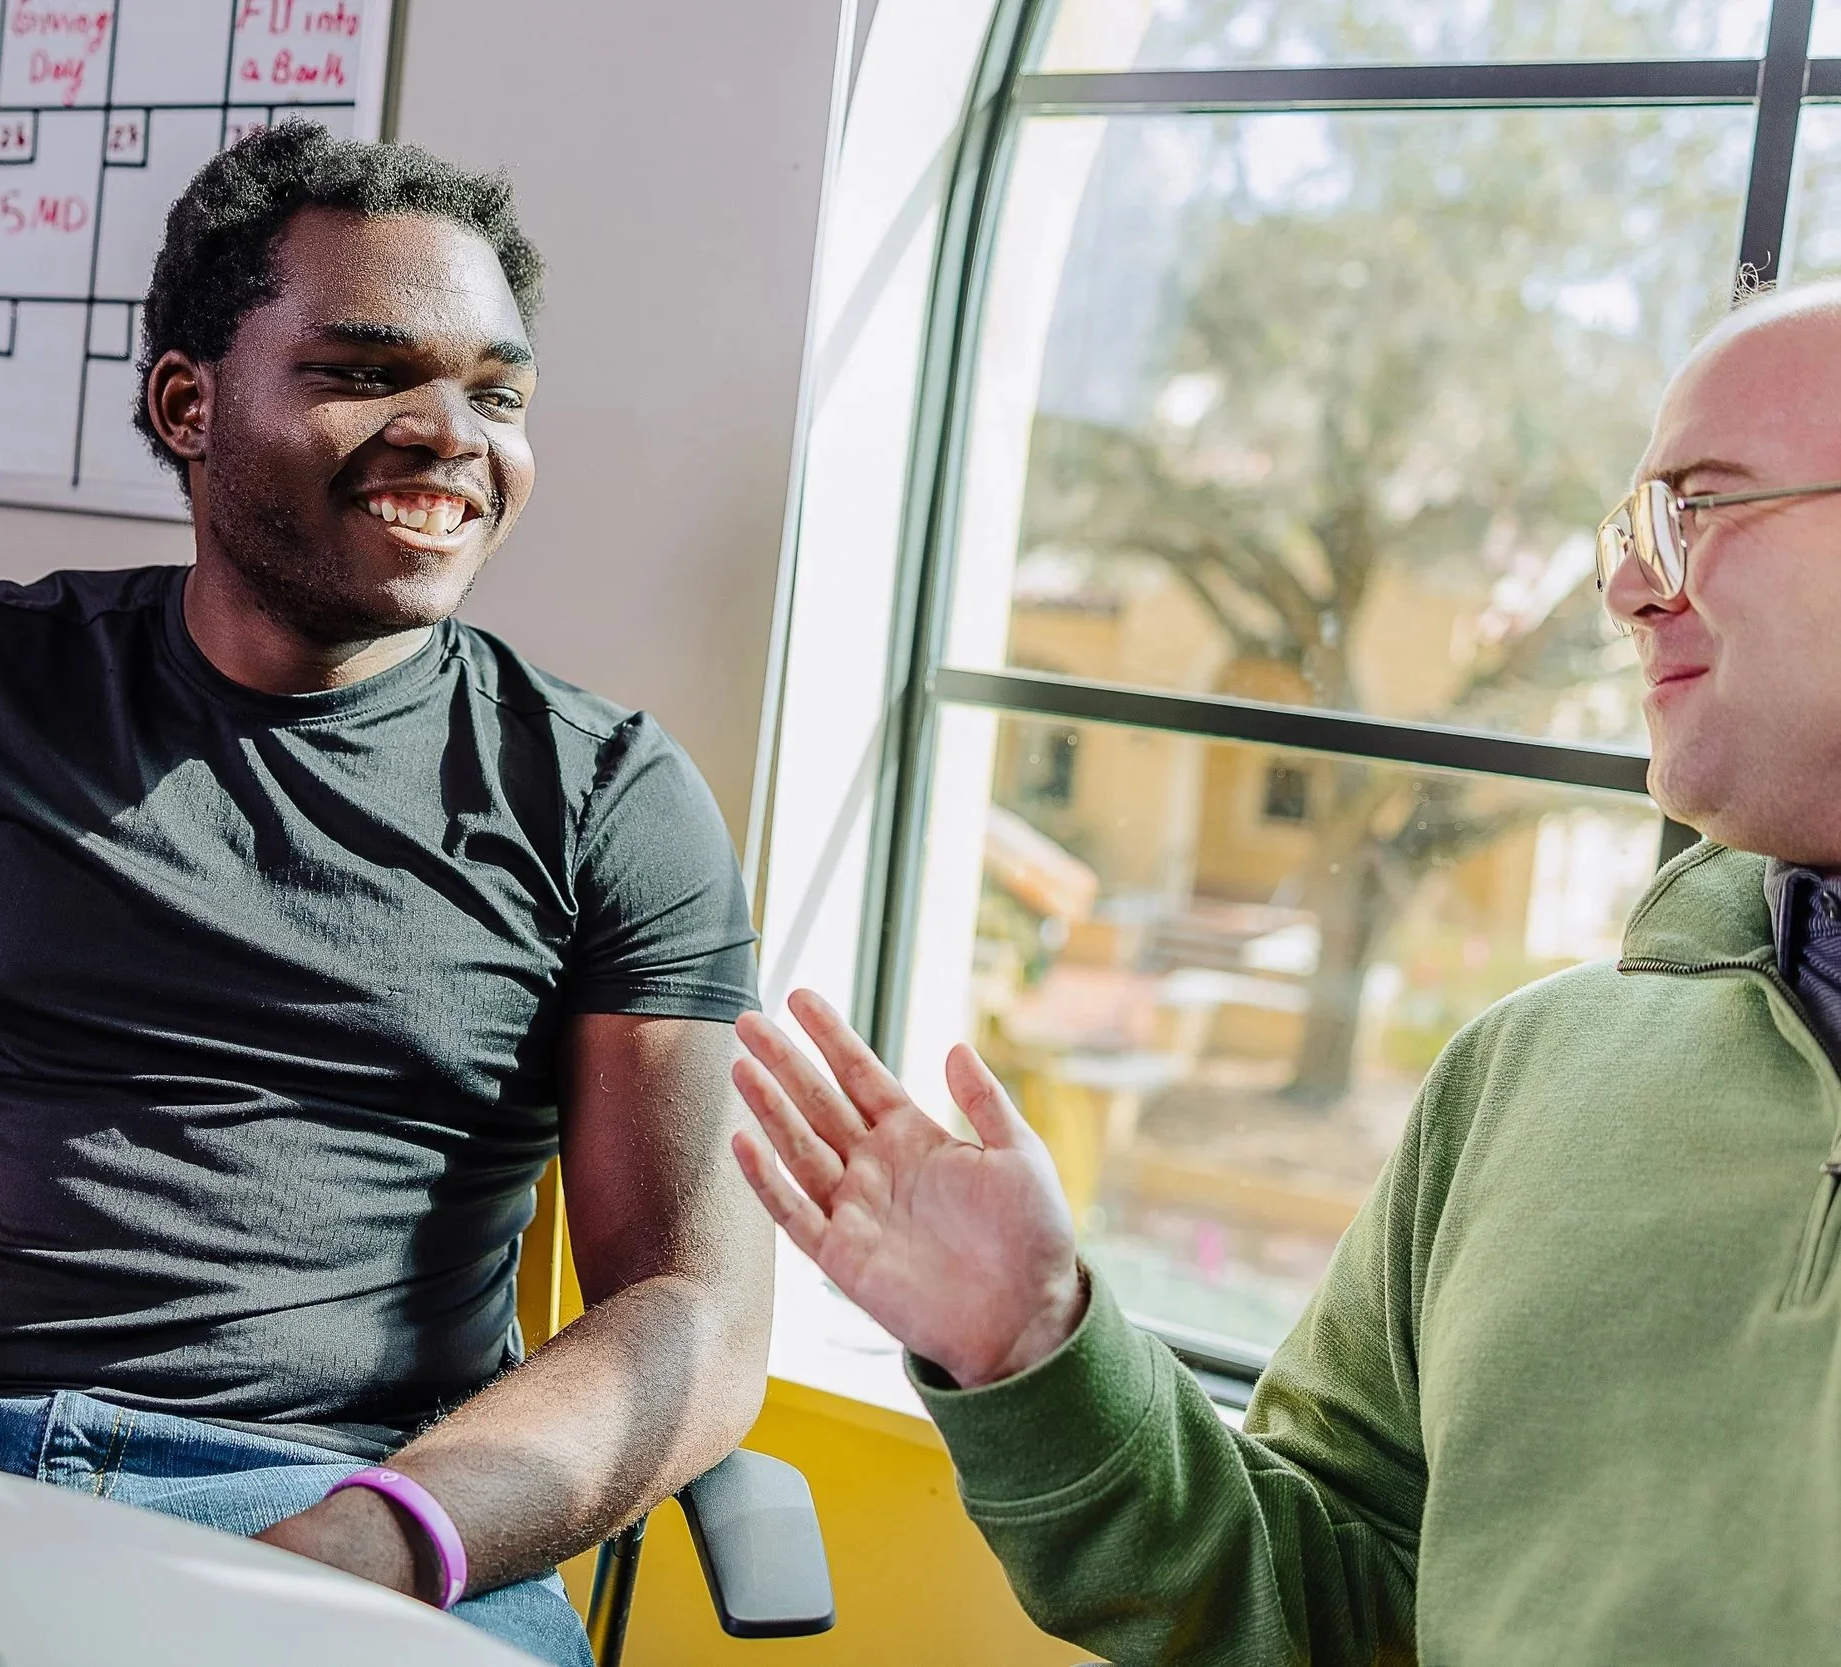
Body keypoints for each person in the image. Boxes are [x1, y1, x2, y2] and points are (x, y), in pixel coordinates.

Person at [0, 127, 772, 1667]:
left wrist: (376, 1538)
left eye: (496, 395)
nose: (451, 435)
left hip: (361, 1512)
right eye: (366, 372)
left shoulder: (605, 794)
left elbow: (695, 1298)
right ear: (189, 403)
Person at [730, 280, 1841, 1665]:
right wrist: (1039, 1350)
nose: (1625, 588)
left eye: (1703, 505)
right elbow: (1325, 1607)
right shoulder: (1521, 1074)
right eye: (1631, 526)